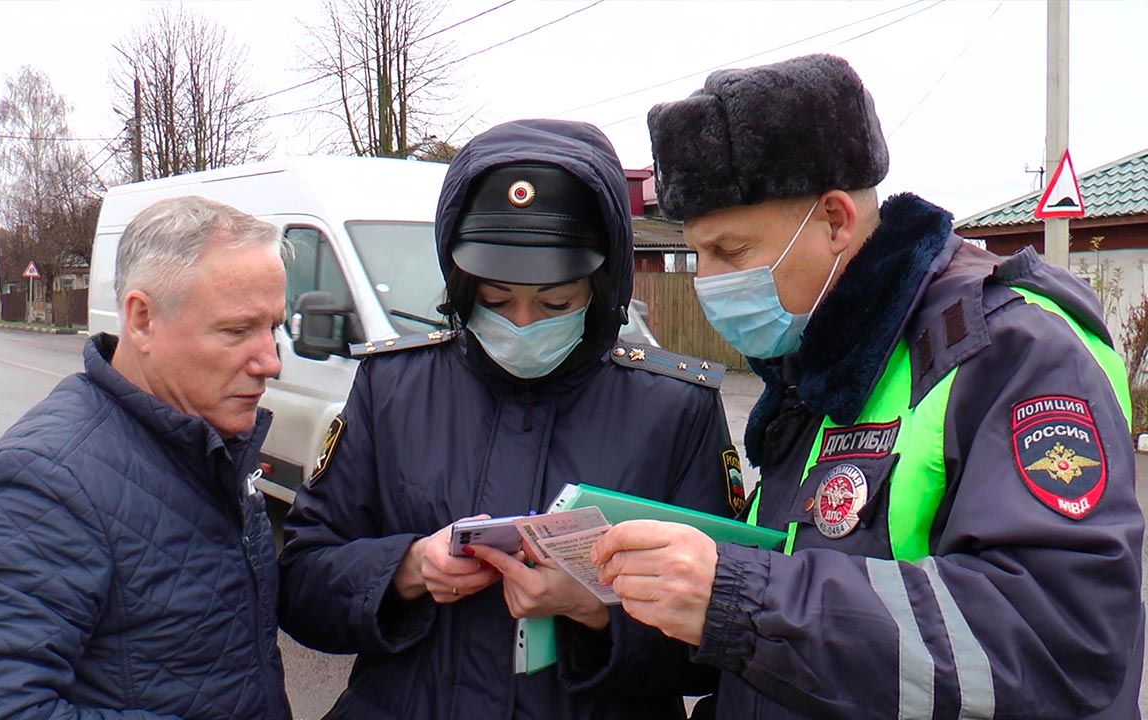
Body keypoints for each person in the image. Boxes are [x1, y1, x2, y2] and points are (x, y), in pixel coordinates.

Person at [593, 53, 1145, 719]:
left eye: (730, 253)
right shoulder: (821, 358)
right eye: (697, 253)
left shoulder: (1011, 347)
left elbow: (1058, 644)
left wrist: (741, 599)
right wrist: (620, 600)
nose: (707, 281)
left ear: (834, 221)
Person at [278, 118, 736, 719]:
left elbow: (723, 638)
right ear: (461, 285)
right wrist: (407, 569)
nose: (522, 323)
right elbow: (302, 583)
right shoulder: (391, 388)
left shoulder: (676, 409)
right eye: (495, 300)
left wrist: (594, 609)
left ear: (602, 290)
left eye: (555, 303)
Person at [0, 196, 293, 720]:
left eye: (274, 327)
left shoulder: (206, 442)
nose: (270, 361)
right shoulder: (44, 485)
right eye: (237, 331)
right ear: (142, 319)